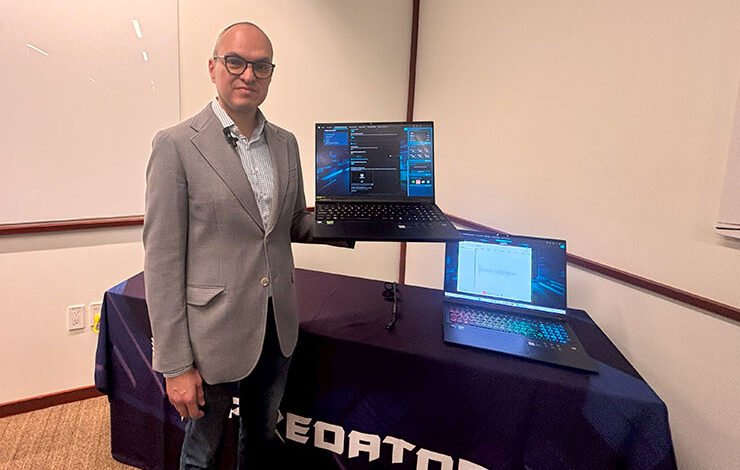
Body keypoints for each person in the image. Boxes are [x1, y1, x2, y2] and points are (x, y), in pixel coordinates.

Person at [143, 21, 331, 469]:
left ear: (271, 74)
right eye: (236, 62)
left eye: (261, 66)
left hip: (276, 324)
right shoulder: (175, 145)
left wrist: (354, 221)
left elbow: (291, 223)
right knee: (202, 454)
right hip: (211, 333)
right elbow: (162, 262)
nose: (248, 74)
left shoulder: (285, 143)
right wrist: (175, 364)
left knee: (261, 438)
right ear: (213, 67)